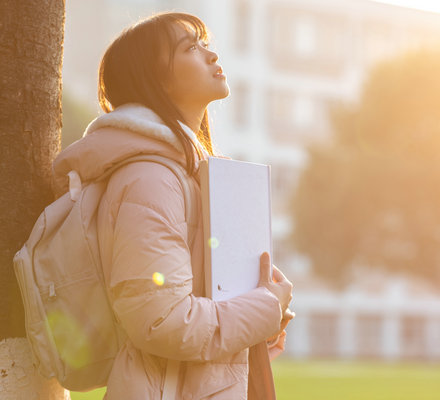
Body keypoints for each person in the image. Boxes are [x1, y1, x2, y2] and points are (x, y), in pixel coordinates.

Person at [53, 11, 294, 399]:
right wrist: (264, 307)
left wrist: (260, 323)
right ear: (155, 78)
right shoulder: (150, 179)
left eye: (205, 44)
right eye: (190, 48)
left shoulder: (190, 175)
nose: (211, 55)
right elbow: (161, 323)